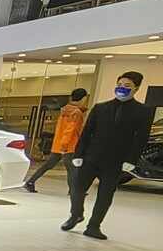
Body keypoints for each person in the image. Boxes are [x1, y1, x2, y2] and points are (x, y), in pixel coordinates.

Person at [61, 71, 152, 240]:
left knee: (105, 195)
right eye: (120, 85)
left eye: (127, 86)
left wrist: (131, 160)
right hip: (92, 157)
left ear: (136, 88)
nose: (122, 88)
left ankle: (94, 226)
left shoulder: (143, 111)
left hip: (116, 161)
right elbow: (87, 132)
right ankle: (76, 214)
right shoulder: (100, 108)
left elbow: (141, 138)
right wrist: (79, 154)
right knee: (77, 188)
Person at [24, 88, 88, 193]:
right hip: (69, 145)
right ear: (83, 98)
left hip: (58, 143)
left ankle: (30, 182)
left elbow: (61, 128)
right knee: (71, 168)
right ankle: (74, 191)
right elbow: (70, 130)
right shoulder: (76, 112)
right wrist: (65, 145)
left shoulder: (65, 110)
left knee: (49, 165)